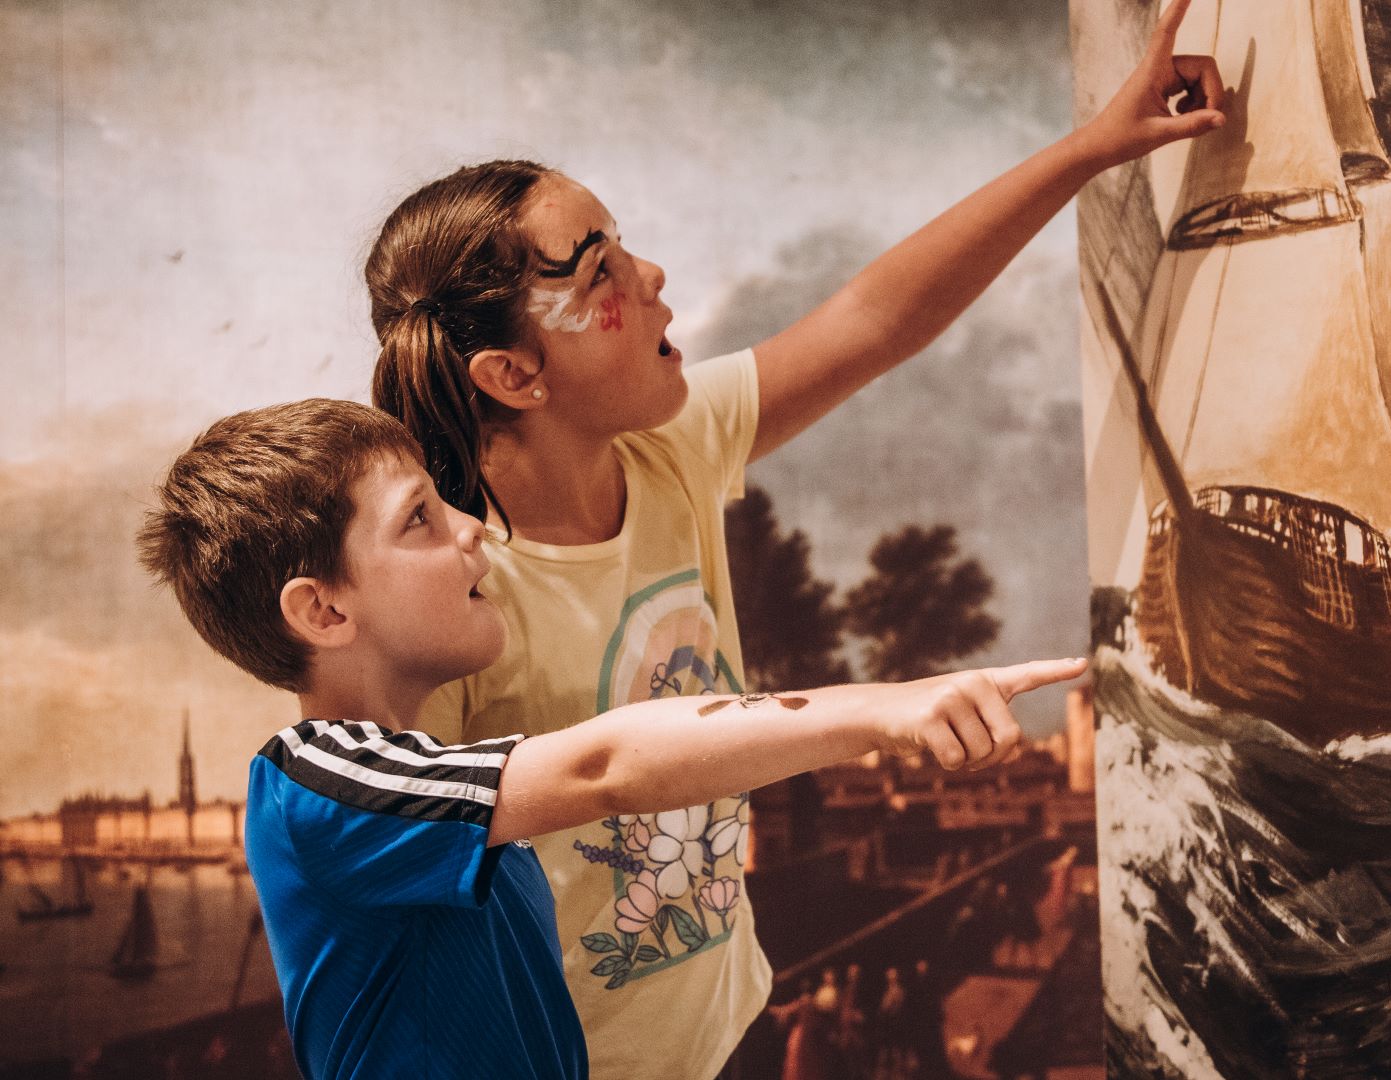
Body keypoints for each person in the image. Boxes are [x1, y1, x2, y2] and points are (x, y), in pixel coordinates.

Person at [364, 3, 1224, 1076]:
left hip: (735, 1030)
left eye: (623, 246)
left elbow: (875, 320)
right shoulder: (455, 599)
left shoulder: (669, 447)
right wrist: (875, 716)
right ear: (514, 375)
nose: (652, 276)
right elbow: (418, 902)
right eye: (599, 276)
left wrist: (1094, 146)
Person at [134, 399, 1087, 1080]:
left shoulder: (424, 788)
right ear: (323, 609)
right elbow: (608, 765)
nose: (473, 534)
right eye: (420, 519)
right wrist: (890, 710)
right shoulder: (317, 784)